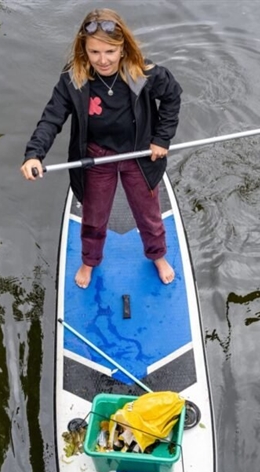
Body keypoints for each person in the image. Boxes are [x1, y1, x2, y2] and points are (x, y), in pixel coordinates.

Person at [20, 8, 183, 289]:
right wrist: (34, 154)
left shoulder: (142, 73)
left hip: (139, 155)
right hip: (96, 158)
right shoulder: (73, 79)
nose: (103, 60)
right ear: (83, 50)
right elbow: (52, 118)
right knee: (93, 218)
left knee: (149, 215)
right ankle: (90, 260)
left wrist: (161, 139)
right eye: (94, 52)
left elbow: (172, 97)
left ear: (123, 48)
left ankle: (157, 255)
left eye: (110, 51)